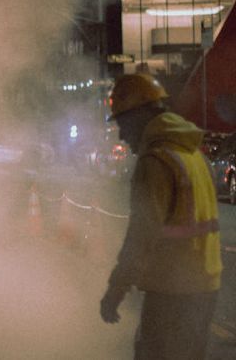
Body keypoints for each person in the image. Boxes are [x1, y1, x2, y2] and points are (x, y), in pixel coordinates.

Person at [100, 73, 222, 360]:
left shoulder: (155, 161)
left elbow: (141, 236)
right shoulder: (192, 154)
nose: (121, 133)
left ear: (140, 116)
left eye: (122, 122)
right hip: (205, 287)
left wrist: (115, 291)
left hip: (172, 291)